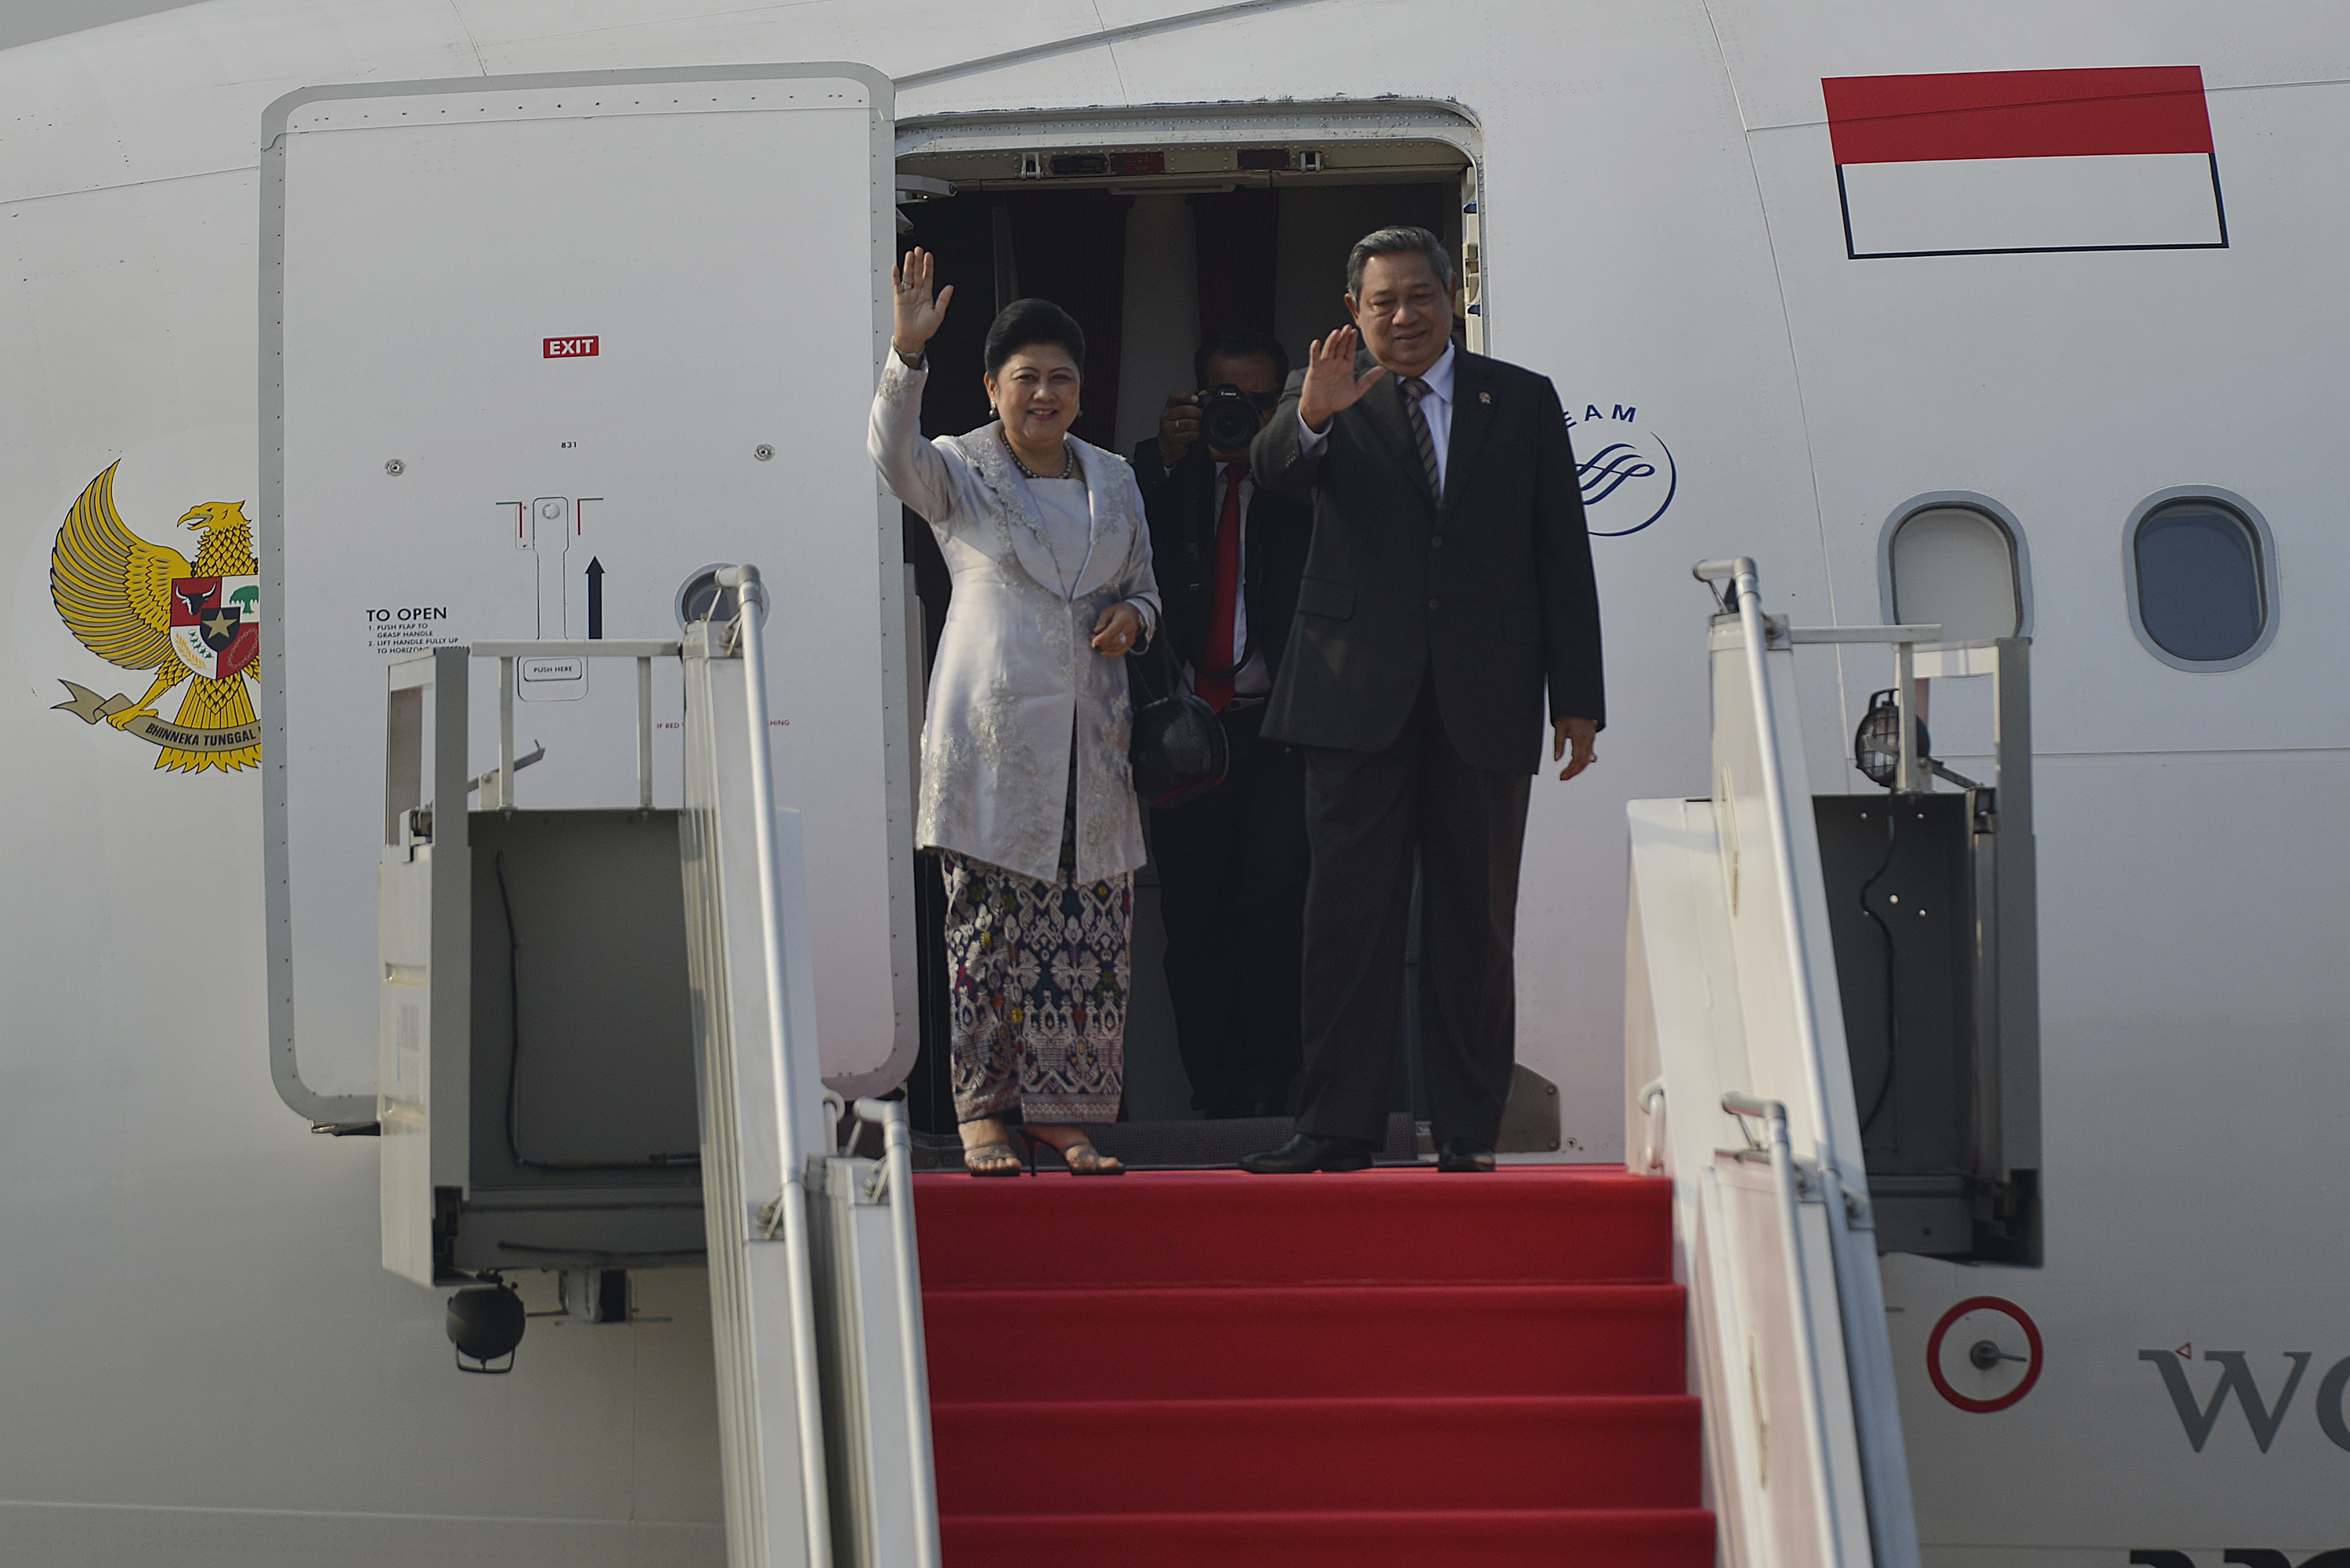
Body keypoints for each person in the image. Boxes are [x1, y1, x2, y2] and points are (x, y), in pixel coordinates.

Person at [1238, 226, 1604, 1176]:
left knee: (1473, 925)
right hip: (1353, 697)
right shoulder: (1324, 391)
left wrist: (1580, 697)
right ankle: (1335, 1128)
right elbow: (1275, 476)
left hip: (1486, 694)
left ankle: (1468, 1131)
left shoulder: (1519, 399)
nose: (1404, 316)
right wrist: (1310, 417)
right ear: (1355, 312)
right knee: (1346, 922)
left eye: (1421, 297)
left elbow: (1560, 548)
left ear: (1453, 299)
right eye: (1382, 301)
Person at [869, 249, 1161, 1176]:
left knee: (1084, 941)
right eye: (1025, 377)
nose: (1045, 393)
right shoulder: (957, 468)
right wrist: (906, 357)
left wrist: (1135, 619)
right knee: (987, 936)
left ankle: (1063, 1115)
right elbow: (889, 453)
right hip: (994, 741)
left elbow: (1145, 589)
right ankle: (986, 1114)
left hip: (1093, 744)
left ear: (1082, 390)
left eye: (1061, 378)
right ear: (993, 385)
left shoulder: (1115, 477)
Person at [1133, 328, 1313, 1119]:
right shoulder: (1154, 477)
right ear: (1194, 402)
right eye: (1220, 398)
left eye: (1259, 400)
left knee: (1278, 914)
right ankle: (1214, 1097)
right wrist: (1174, 463)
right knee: (1195, 923)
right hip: (1186, 737)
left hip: (1280, 733)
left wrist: (1278, 452)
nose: (1239, 415)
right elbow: (1122, 560)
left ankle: (1271, 1096)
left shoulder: (1302, 476)